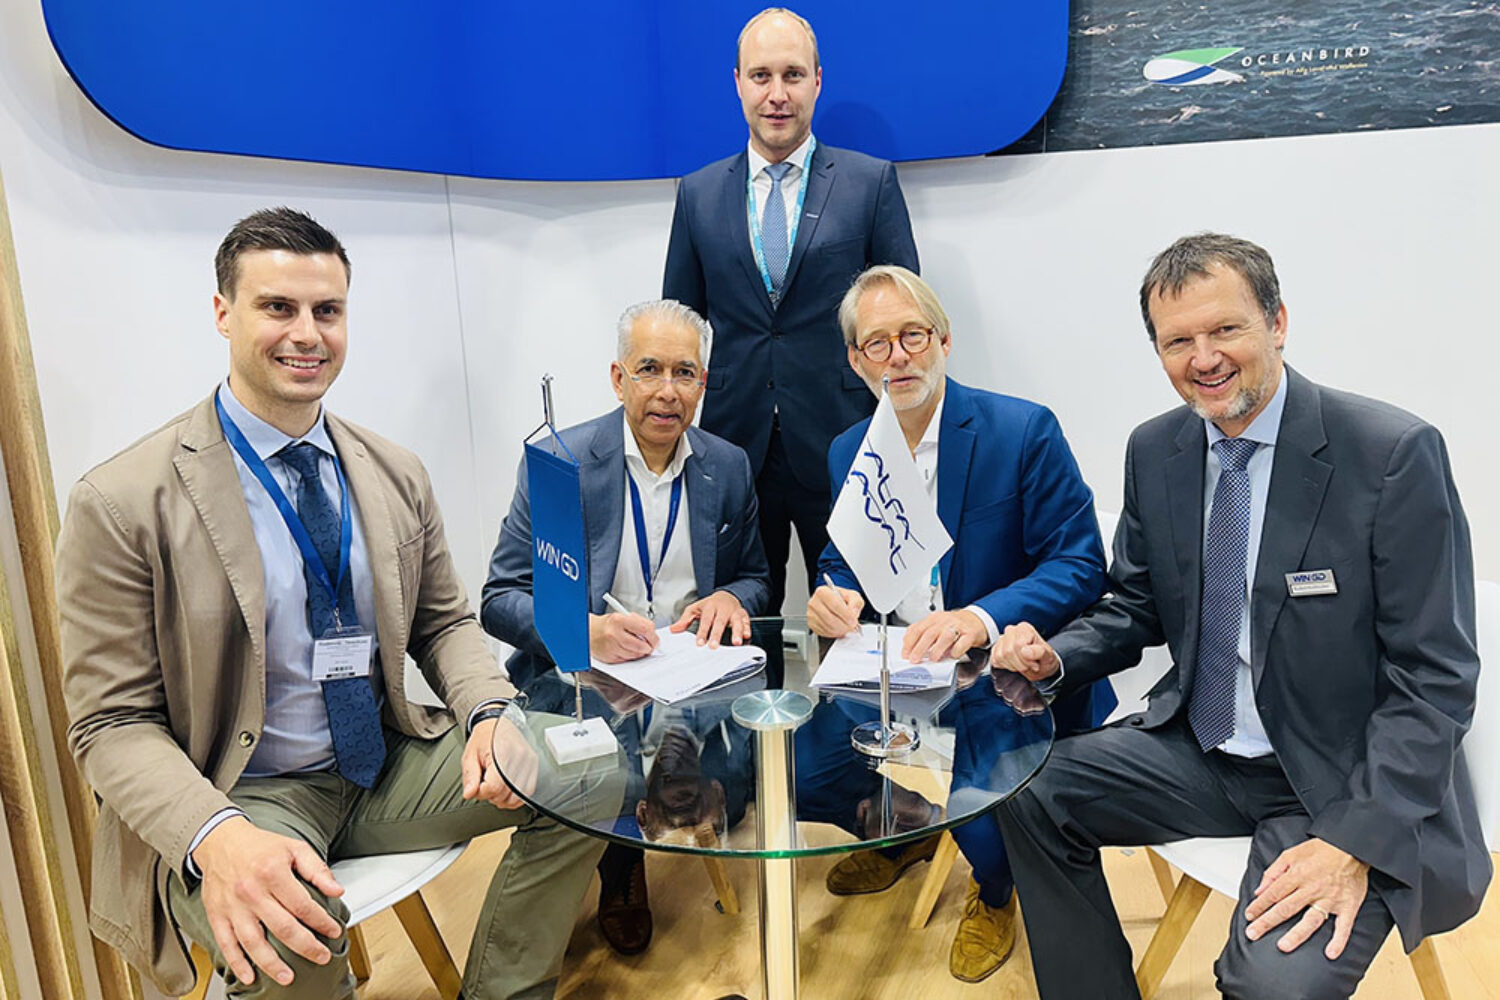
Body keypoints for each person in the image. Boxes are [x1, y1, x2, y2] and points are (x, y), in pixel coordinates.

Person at [56, 208, 607, 999]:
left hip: (381, 762)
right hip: (240, 791)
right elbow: (109, 724)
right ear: (223, 313)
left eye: (328, 310)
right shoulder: (122, 501)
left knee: (594, 767)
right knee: (292, 929)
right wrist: (216, 837)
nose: (306, 333)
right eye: (277, 307)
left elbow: (442, 621)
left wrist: (489, 712)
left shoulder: (393, 470)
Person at [993, 233, 1491, 999]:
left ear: (1278, 321)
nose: (1204, 358)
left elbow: (1435, 680)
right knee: (1026, 790)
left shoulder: (1390, 455)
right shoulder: (1156, 448)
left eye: (1225, 329)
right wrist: (1055, 659)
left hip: (1339, 779)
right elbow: (1136, 603)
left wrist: (1351, 842)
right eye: (1177, 341)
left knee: (1271, 987)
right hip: (1206, 750)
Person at [803, 265, 1115, 981]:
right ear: (856, 361)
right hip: (896, 666)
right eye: (876, 344)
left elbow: (1078, 565)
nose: (898, 357)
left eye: (912, 336)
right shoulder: (850, 449)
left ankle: (995, 887)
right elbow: (841, 559)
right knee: (804, 770)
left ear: (943, 340)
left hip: (1001, 671)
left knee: (982, 790)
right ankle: (908, 829)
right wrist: (834, 592)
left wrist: (977, 618)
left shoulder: (1022, 429)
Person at [481, 299, 771, 956]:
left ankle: (651, 798)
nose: (668, 392)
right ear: (619, 379)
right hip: (583, 673)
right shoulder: (560, 463)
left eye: (685, 373)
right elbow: (498, 599)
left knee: (745, 778)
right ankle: (622, 861)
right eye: (649, 370)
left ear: (703, 382)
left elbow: (755, 577)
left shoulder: (728, 466)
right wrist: (584, 632)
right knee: (601, 761)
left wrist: (730, 595)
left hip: (689, 672)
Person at [663, 6, 919, 616]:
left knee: (856, 617)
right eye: (760, 76)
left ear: (818, 81)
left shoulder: (869, 182)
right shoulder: (697, 193)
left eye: (793, 75)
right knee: (742, 620)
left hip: (844, 443)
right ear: (737, 82)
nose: (777, 94)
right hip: (734, 446)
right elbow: (681, 324)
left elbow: (905, 319)